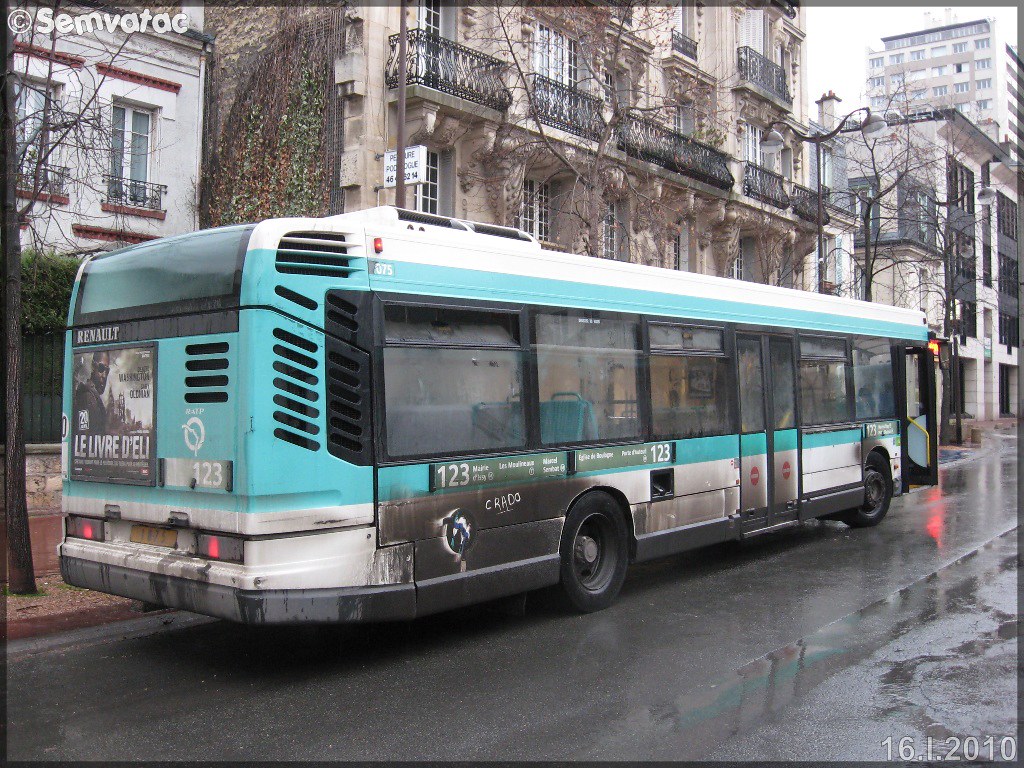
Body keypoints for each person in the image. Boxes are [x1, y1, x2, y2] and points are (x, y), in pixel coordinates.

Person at [74, 351, 110, 434]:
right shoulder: (86, 396)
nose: (104, 375)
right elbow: (84, 432)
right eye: (101, 368)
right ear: (93, 367)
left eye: (107, 371)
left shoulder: (94, 396)